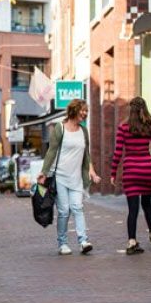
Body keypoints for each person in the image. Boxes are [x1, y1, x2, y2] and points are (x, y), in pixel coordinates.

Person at [110, 97, 151, 255]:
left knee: (133, 209)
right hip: (147, 170)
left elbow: (118, 152)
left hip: (131, 172)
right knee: (147, 205)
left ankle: (132, 242)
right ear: (144, 108)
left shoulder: (123, 128)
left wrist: (113, 173)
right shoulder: (150, 126)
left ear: (130, 110)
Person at [38, 99, 101, 255]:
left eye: (86, 111)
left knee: (78, 207)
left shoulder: (83, 131)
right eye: (83, 110)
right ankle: (63, 243)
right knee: (64, 211)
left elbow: (86, 154)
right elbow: (51, 151)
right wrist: (44, 172)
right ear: (74, 110)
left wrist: (91, 171)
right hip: (60, 176)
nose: (85, 113)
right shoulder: (60, 128)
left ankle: (83, 241)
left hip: (76, 177)